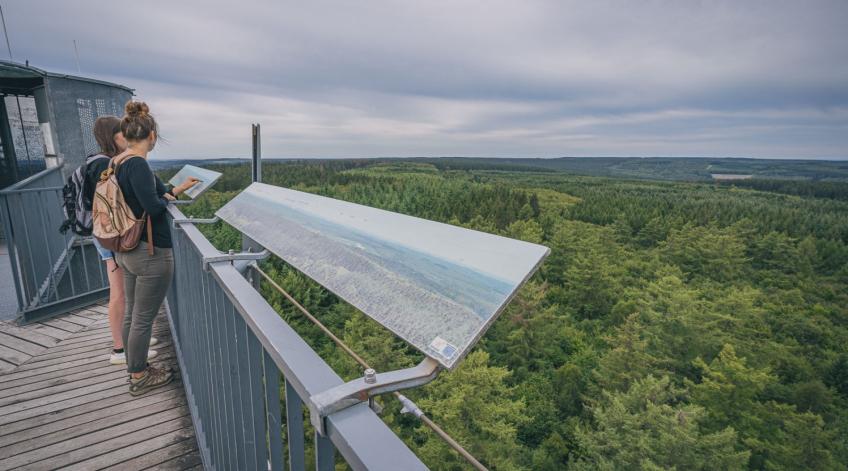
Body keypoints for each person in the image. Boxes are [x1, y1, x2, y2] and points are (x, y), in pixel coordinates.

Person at [112, 101, 198, 395]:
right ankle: (138, 376)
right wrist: (164, 201)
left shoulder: (119, 161)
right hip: (150, 252)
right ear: (152, 136)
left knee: (132, 314)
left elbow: (153, 196)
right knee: (143, 318)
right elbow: (153, 205)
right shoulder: (138, 164)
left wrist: (174, 191)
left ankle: (133, 367)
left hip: (127, 249)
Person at [86, 116, 158, 365]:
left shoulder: (102, 161)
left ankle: (131, 345)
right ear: (113, 136)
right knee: (119, 294)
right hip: (113, 235)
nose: (126, 139)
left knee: (125, 295)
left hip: (107, 233)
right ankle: (121, 351)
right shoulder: (107, 163)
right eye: (122, 134)